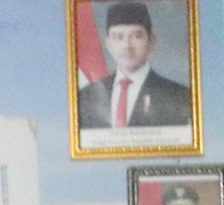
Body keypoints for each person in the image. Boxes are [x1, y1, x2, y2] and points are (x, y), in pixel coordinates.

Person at [75, 0, 191, 136]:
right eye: (118, 37)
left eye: (137, 36)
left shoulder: (179, 97)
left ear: (151, 41)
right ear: (108, 44)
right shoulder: (85, 97)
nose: (127, 46)